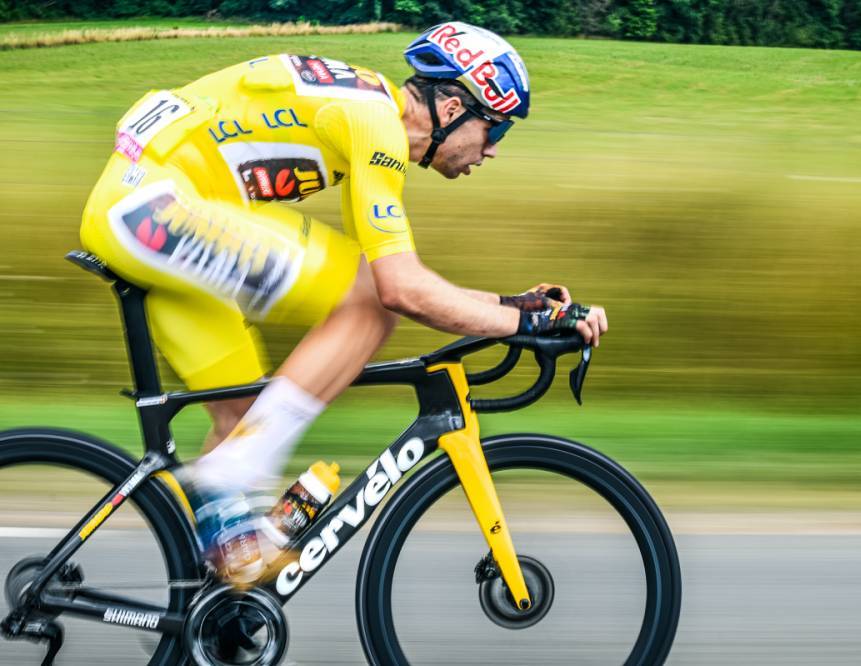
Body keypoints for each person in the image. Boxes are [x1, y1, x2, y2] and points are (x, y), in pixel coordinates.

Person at [78, 21, 608, 581]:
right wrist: (516, 322)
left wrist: (515, 307)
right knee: (368, 309)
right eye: (495, 128)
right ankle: (233, 474)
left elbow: (400, 276)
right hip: (156, 208)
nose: (493, 149)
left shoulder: (367, 112)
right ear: (452, 108)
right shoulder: (375, 126)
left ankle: (218, 605)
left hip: (138, 209)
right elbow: (397, 290)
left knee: (241, 418)